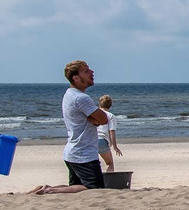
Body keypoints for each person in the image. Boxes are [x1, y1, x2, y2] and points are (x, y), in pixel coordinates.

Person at [30, 60, 109, 194]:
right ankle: (49, 190)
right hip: (84, 154)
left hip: (74, 152)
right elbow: (104, 118)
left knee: (75, 187)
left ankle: (45, 188)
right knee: (94, 189)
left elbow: (97, 119)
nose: (92, 72)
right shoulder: (81, 98)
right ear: (76, 78)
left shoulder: (69, 94)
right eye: (86, 71)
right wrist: (95, 119)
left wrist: (94, 119)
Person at [97, 95, 123, 172]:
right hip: (102, 140)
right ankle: (108, 182)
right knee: (110, 163)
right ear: (110, 105)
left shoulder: (93, 114)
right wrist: (115, 147)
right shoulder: (110, 116)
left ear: (99, 104)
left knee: (92, 164)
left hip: (90, 140)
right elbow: (112, 132)